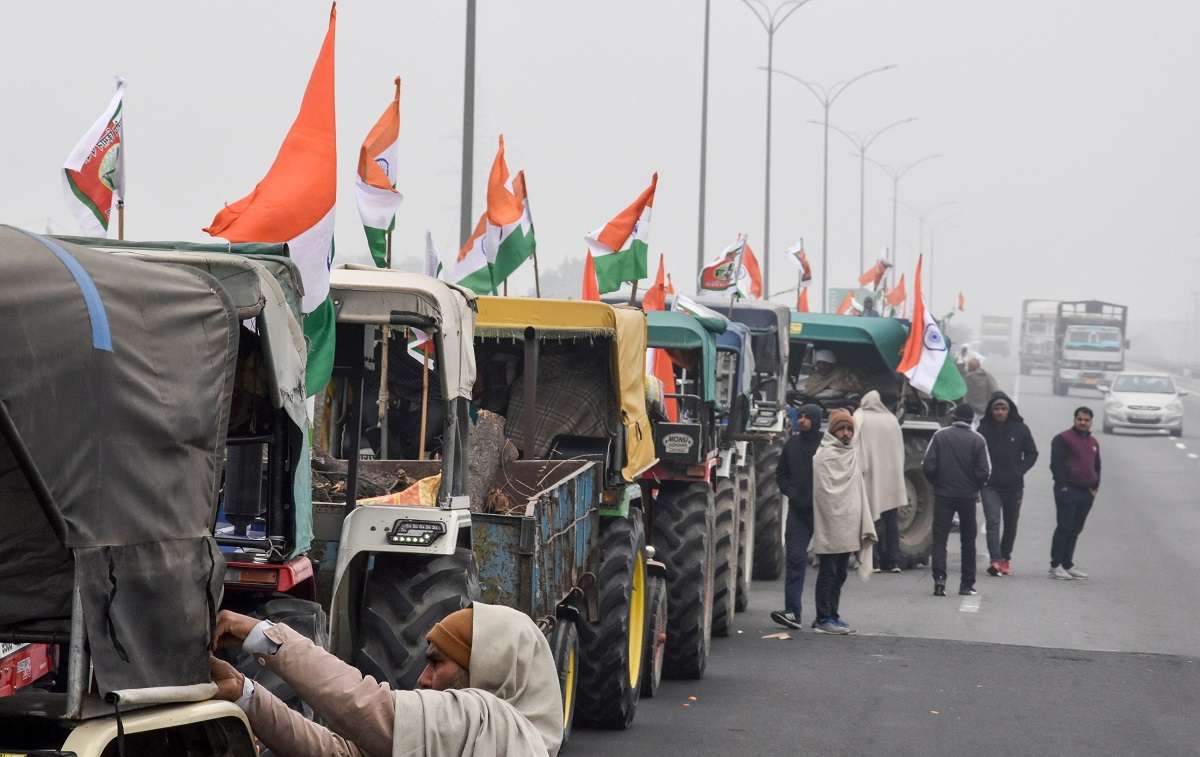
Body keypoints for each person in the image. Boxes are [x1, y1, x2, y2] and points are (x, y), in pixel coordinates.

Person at [208, 603, 563, 756]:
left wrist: (264, 636)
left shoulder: (491, 722)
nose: (423, 679)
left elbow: (367, 706)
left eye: (438, 664)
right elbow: (337, 752)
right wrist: (246, 694)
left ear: (492, 667)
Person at [810, 409, 876, 635]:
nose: (846, 433)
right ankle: (822, 617)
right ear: (833, 431)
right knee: (828, 572)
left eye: (849, 429)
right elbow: (825, 492)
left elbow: (856, 489)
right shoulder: (824, 456)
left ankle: (834, 614)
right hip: (831, 524)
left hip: (848, 524)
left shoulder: (851, 454)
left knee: (840, 573)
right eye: (841, 429)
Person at [922, 404, 991, 597]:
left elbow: (928, 465)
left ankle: (939, 581)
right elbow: (985, 471)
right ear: (971, 419)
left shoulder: (940, 436)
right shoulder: (978, 440)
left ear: (954, 417)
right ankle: (967, 585)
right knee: (968, 541)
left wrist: (937, 483)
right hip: (967, 497)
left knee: (940, 538)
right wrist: (975, 487)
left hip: (943, 494)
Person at [771, 403, 824, 630]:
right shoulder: (792, 444)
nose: (801, 420)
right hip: (798, 513)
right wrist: (791, 491)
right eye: (799, 416)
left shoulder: (826, 445)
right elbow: (780, 473)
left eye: (806, 417)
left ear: (816, 420)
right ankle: (792, 612)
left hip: (824, 513)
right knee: (795, 560)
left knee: (831, 566)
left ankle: (826, 615)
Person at [976, 392, 1038, 577]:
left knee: (1011, 524)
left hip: (1014, 486)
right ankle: (994, 560)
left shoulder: (1020, 429)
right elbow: (975, 454)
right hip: (990, 485)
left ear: (1009, 410)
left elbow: (1032, 453)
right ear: (991, 410)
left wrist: (1019, 470)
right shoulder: (983, 430)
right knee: (993, 522)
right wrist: (981, 474)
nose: (1000, 412)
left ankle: (1005, 559)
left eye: (1003, 408)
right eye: (997, 408)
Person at [853, 391, 907, 573]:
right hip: (890, 478)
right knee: (891, 520)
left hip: (870, 476)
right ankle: (893, 561)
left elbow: (854, 445)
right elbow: (899, 450)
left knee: (870, 520)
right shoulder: (891, 419)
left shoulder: (859, 417)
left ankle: (873, 561)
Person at [1048, 406, 1101, 580]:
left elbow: (1097, 465)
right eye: (1080, 419)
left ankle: (1067, 564)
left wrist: (1095, 487)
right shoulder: (1063, 439)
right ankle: (1055, 566)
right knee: (1064, 527)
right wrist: (1062, 486)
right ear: (1074, 419)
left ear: (1091, 421)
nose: (1083, 422)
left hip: (1086, 492)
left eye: (1086, 420)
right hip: (1068, 489)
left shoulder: (1093, 442)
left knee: (1076, 529)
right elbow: (1056, 464)